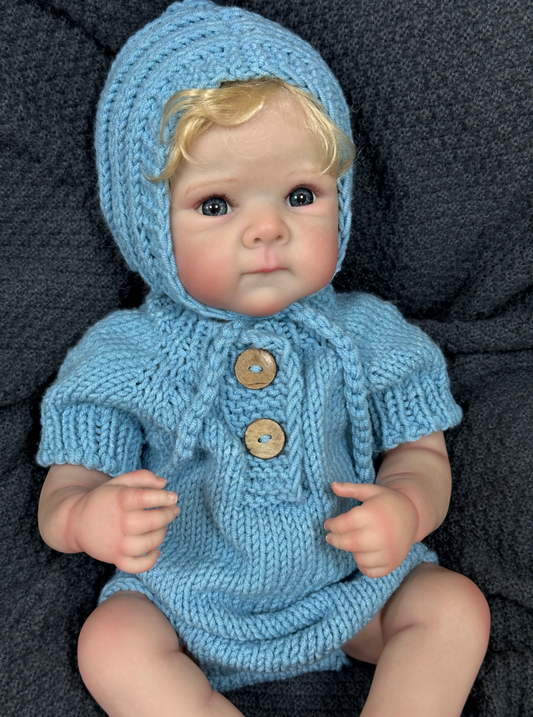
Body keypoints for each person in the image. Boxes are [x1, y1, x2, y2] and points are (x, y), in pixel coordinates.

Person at [37, 1, 490, 715]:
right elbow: (64, 493)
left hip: (348, 591)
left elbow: (421, 453)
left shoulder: (368, 336)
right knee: (111, 641)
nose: (267, 230)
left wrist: (406, 506)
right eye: (217, 205)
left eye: (301, 195)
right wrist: (87, 517)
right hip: (183, 602)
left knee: (453, 607)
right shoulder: (127, 355)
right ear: (145, 222)